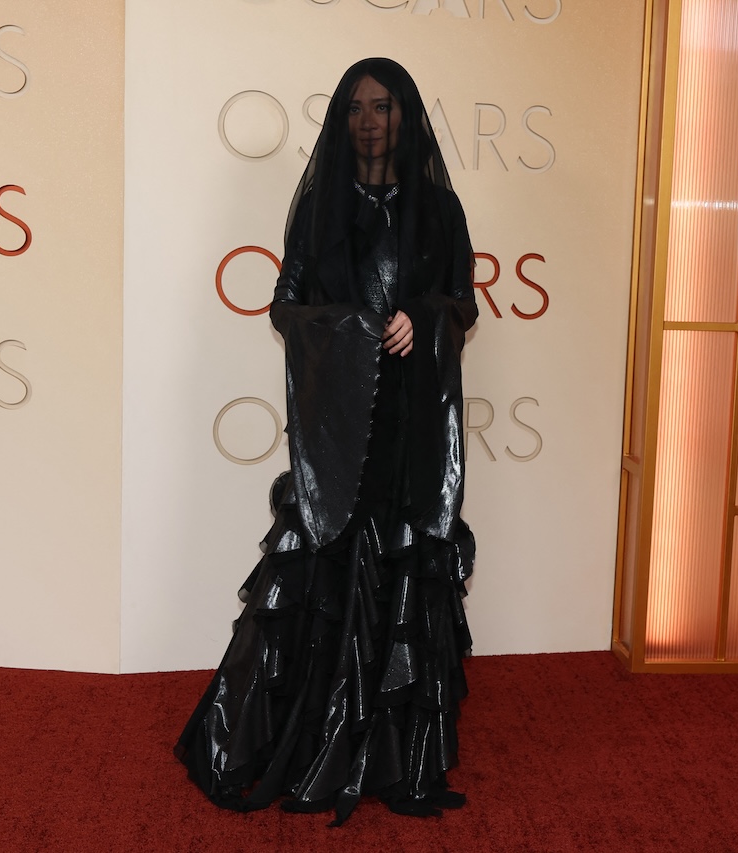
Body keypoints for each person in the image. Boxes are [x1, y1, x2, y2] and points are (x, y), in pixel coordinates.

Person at [175, 57, 478, 826]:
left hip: (411, 426)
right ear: (342, 119)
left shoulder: (441, 211)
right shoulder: (317, 209)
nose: (371, 120)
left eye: (385, 106)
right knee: (326, 576)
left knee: (406, 570)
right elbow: (285, 305)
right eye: (356, 107)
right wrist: (351, 328)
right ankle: (315, 741)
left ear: (407, 116)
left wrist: (426, 315)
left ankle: (397, 757)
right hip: (341, 435)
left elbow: (463, 304)